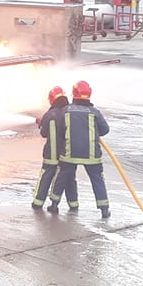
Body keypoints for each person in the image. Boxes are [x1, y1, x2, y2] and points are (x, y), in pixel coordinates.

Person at [48, 80, 111, 218]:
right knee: (97, 180)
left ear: (74, 94)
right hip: (92, 155)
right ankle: (104, 209)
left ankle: (54, 205)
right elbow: (105, 130)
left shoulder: (66, 111)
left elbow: (59, 129)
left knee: (62, 177)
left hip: (70, 154)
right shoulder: (95, 112)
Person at [33, 86, 78, 213]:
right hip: (68, 155)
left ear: (52, 99)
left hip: (50, 156)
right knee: (69, 179)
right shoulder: (70, 112)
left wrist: (43, 123)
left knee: (46, 177)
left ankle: (38, 202)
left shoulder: (49, 114)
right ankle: (73, 204)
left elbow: (44, 133)